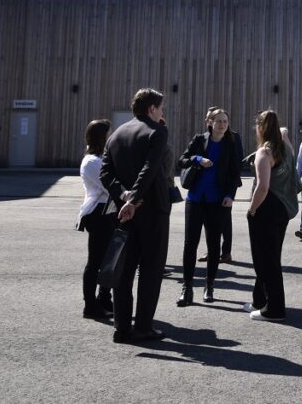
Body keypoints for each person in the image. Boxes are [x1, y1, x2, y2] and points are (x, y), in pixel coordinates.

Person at [99, 88, 172, 344]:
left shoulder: (116, 135)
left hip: (123, 212)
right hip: (152, 210)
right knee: (151, 271)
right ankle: (142, 327)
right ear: (152, 108)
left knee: (124, 269)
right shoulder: (157, 131)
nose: (163, 112)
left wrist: (123, 196)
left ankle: (121, 328)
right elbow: (150, 168)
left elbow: (105, 175)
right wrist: (134, 198)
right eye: (161, 107)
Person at [176, 108, 242, 306]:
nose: (222, 124)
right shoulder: (199, 139)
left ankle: (209, 286)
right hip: (195, 199)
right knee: (190, 245)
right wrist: (197, 159)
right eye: (218, 121)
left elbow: (234, 172)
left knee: (214, 246)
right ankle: (187, 288)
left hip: (218, 201)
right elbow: (182, 160)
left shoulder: (232, 142)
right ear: (210, 123)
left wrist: (230, 195)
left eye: (225, 121)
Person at [245, 110, 299, 321]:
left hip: (266, 209)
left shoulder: (264, 153)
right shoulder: (285, 149)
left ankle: (274, 309)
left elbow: (263, 186)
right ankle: (260, 301)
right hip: (283, 209)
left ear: (260, 128)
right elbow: (289, 146)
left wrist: (251, 209)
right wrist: (284, 135)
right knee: (270, 256)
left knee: (265, 260)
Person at [77, 119, 116, 320]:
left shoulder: (102, 158)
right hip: (97, 213)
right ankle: (90, 306)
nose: (113, 135)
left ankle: (103, 299)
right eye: (110, 132)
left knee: (109, 260)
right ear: (102, 136)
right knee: (95, 262)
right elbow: (109, 185)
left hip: (109, 212)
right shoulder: (92, 161)